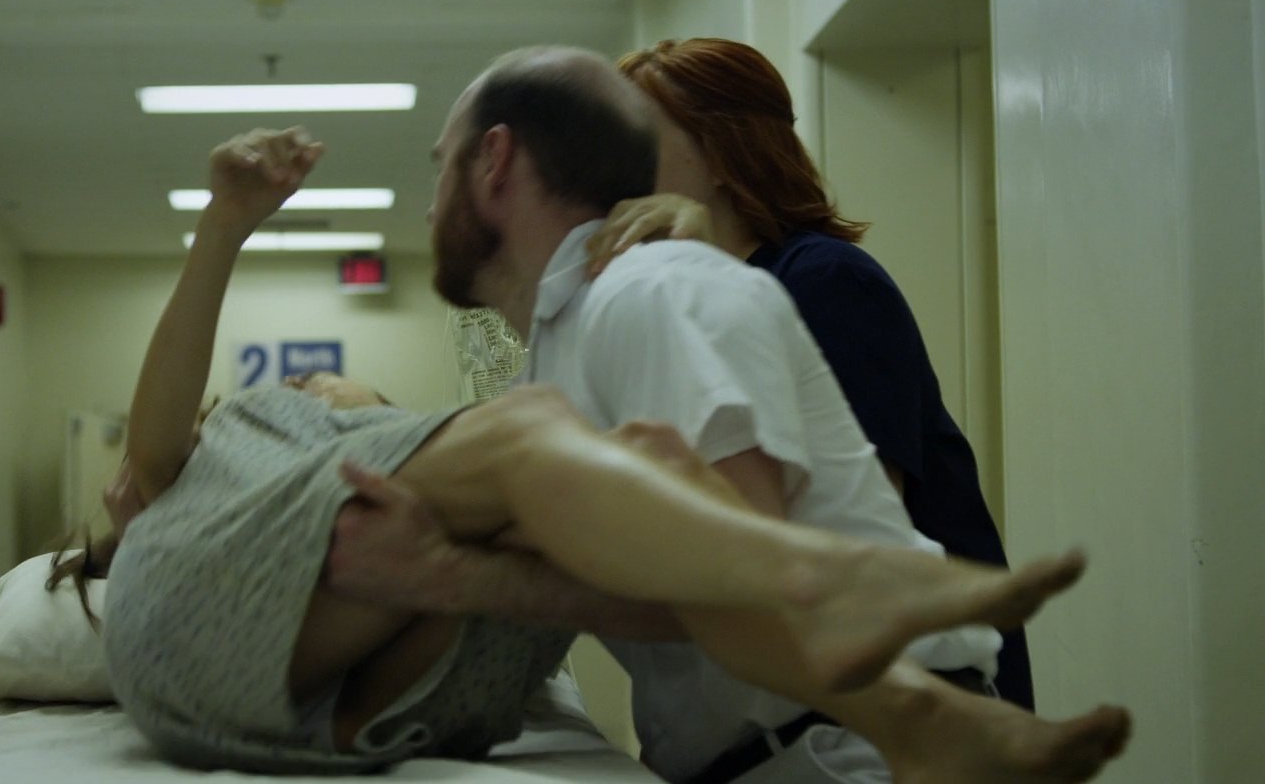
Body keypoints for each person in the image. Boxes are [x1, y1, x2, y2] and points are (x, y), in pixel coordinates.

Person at [86, 123, 1115, 779]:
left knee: (652, 473)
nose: (311, 389)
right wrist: (225, 225)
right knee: (546, 438)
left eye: (323, 386)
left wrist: (696, 233)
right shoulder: (254, 451)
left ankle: (914, 716)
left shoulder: (484, 478)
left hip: (333, 698)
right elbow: (161, 449)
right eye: (302, 387)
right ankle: (833, 578)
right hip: (193, 627)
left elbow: (652, 581)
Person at [324, 45, 1118, 783]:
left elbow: (738, 567)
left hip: (843, 742)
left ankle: (869, 608)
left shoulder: (663, 288)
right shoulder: (566, 351)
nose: (428, 208)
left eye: (442, 167)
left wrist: (469, 575)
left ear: (494, 160)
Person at [586, 36, 1032, 709]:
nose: (614, 168)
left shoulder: (828, 280)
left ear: (723, 153)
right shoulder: (672, 293)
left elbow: (856, 514)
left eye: (639, 139)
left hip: (927, 681)